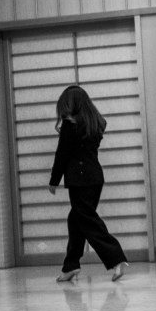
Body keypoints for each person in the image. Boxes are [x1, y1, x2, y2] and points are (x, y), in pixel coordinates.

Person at [49, 85, 129, 282]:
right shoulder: (95, 123)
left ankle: (116, 259)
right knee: (76, 220)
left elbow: (62, 155)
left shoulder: (71, 125)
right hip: (95, 178)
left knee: (88, 221)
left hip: (80, 179)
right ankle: (71, 266)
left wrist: (53, 181)